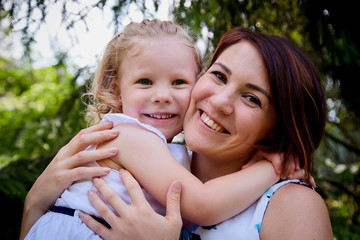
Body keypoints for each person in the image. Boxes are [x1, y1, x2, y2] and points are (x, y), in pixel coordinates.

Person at [21, 20, 298, 240]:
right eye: (144, 81)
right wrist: (273, 168)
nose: (162, 95)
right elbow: (203, 207)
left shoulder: (168, 152)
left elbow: (183, 219)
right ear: (118, 92)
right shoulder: (127, 136)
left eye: (178, 82)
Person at [77, 26, 334, 239]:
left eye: (252, 98)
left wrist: (272, 170)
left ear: (278, 129)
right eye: (220, 76)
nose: (220, 101)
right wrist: (36, 203)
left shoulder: (292, 205)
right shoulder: (151, 165)